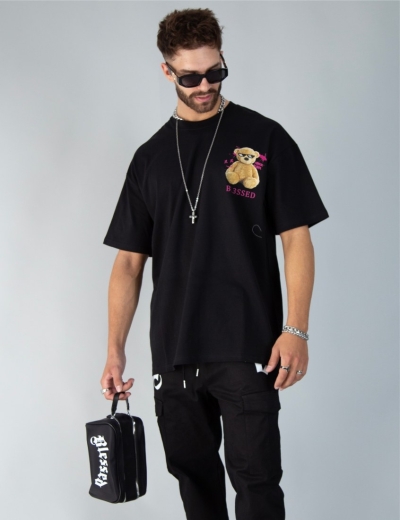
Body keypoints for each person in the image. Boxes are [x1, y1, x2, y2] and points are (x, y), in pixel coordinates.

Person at [100, 8, 329, 520]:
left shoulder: (265, 137)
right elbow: (128, 263)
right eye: (190, 77)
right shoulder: (149, 158)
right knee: (195, 486)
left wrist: (296, 329)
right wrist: (115, 351)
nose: (205, 85)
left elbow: (296, 238)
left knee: (257, 483)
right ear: (167, 71)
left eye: (215, 72)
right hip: (174, 353)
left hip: (248, 346)